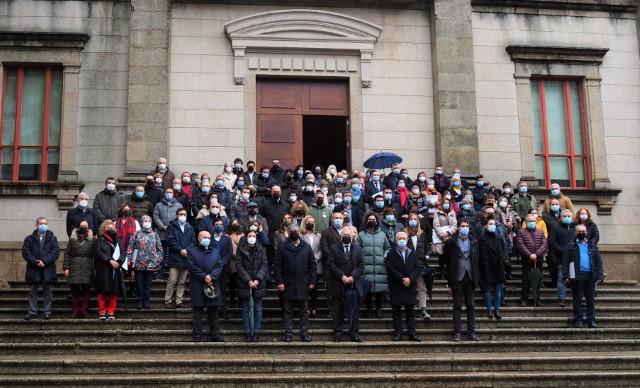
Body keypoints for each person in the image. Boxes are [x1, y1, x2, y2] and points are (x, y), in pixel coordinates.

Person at [275, 224, 317, 342]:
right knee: (287, 312)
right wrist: (280, 282)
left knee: (304, 312)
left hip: (303, 284)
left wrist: (312, 281)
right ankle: (288, 334)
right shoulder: (283, 247)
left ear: (299, 232)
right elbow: (277, 266)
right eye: (292, 231)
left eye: (296, 231)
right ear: (288, 232)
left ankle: (304, 334)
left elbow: (312, 265)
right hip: (287, 285)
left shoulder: (306, 247)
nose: (294, 232)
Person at [444, 219, 480, 342]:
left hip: (470, 276)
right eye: (463, 226)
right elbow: (447, 262)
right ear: (458, 228)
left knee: (471, 306)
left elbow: (477, 260)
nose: (465, 228)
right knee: (457, 306)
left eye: (467, 226)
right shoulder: (451, 242)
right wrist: (448, 281)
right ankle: (457, 332)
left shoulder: (474, 241)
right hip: (457, 277)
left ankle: (471, 332)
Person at [327, 228, 364, 342]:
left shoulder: (358, 249)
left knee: (354, 310)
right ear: (340, 236)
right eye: (344, 234)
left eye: (349, 235)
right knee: (337, 311)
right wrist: (342, 276)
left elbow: (361, 265)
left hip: (353, 284)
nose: (346, 236)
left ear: (353, 237)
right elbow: (331, 264)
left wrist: (352, 277)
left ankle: (354, 333)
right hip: (338, 283)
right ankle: (337, 333)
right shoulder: (333, 249)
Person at [563, 224, 604, 328]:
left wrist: (600, 275)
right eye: (579, 231)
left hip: (590, 276)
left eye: (583, 231)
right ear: (576, 233)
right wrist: (566, 275)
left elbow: (598, 261)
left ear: (587, 232)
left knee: (591, 300)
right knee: (577, 300)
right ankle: (578, 320)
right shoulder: (570, 245)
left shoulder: (592, 245)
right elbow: (565, 261)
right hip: (577, 276)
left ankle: (591, 320)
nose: (582, 233)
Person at [187, 231, 224, 342]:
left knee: (213, 310)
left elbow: (219, 265)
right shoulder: (192, 251)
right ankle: (197, 335)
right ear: (199, 238)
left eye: (209, 237)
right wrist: (204, 276)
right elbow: (191, 267)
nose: (207, 239)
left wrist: (211, 276)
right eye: (204, 237)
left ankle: (215, 335)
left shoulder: (216, 252)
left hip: (212, 284)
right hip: (197, 284)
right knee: (198, 310)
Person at [385, 231, 421, 342]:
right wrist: (402, 279)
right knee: (396, 312)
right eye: (399, 239)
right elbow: (390, 269)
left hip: (410, 287)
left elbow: (417, 268)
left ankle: (412, 334)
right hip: (396, 287)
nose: (402, 240)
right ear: (396, 241)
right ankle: (398, 333)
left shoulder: (412, 253)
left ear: (407, 240)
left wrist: (410, 279)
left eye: (404, 239)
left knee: (410, 312)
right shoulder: (391, 254)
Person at [22, 217, 60, 320]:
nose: (43, 225)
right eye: (41, 223)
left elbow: (55, 252)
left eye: (45, 223)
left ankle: (47, 311)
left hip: (48, 269)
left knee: (48, 292)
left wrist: (45, 261)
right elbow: (26, 252)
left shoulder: (53, 238)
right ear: (36, 225)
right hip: (33, 268)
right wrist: (36, 262)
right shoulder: (29, 238)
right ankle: (32, 311)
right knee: (32, 292)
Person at [235, 229, 268, 342]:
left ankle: (256, 331)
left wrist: (258, 279)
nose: (252, 237)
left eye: (253, 235)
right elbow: (239, 267)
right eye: (250, 235)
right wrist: (248, 280)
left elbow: (264, 265)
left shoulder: (261, 249)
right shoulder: (241, 250)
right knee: (245, 309)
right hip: (245, 283)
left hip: (259, 283)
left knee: (258, 309)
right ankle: (248, 332)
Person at [358, 213, 390, 319]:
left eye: (373, 219)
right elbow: (357, 249)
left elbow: (388, 247)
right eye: (370, 219)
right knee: (368, 289)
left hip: (380, 265)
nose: (372, 221)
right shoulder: (361, 234)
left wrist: (384, 256)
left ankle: (378, 309)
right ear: (366, 221)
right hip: (366, 265)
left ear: (377, 221)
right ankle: (368, 309)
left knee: (379, 290)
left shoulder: (382, 235)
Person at [63, 220, 95, 319]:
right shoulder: (72, 239)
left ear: (88, 227)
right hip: (74, 266)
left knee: (86, 290)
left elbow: (96, 254)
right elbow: (67, 254)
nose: (83, 227)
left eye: (85, 225)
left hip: (87, 266)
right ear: (78, 227)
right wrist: (66, 267)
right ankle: (75, 311)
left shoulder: (93, 239)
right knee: (74, 290)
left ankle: (84, 310)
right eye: (81, 225)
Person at [93, 220, 125, 320]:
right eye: (108, 228)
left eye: (112, 228)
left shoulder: (118, 240)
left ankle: (111, 311)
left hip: (115, 269)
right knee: (102, 291)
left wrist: (119, 262)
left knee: (113, 292)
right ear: (103, 229)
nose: (110, 229)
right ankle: (102, 311)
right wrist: (109, 260)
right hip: (103, 269)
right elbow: (98, 253)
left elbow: (123, 253)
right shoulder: (99, 240)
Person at [165, 208, 196, 309]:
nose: (183, 216)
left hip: (186, 258)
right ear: (176, 215)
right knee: (172, 280)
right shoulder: (172, 226)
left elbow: (193, 241)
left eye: (184, 214)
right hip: (175, 257)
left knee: (182, 282)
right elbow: (170, 240)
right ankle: (168, 300)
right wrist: (180, 250)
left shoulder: (190, 228)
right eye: (181, 214)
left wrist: (186, 250)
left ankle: (179, 300)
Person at [516, 214, 548, 307]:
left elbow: (544, 245)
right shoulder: (521, 232)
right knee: (525, 280)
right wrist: (529, 255)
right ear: (525, 222)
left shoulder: (541, 232)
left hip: (538, 260)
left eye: (533, 221)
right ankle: (524, 299)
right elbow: (520, 245)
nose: (531, 223)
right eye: (529, 221)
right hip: (527, 260)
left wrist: (536, 254)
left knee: (538, 280)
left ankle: (537, 298)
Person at [478, 218, 507, 320]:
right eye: (490, 224)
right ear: (486, 225)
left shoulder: (499, 238)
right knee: (488, 289)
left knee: (498, 289)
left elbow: (503, 251)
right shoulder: (481, 239)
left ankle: (497, 309)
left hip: (498, 266)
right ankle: (489, 309)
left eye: (494, 224)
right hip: (487, 267)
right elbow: (479, 254)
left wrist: (503, 261)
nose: (492, 226)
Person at [404, 213, 432, 319]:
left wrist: (427, 256)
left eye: (415, 219)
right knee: (410, 286)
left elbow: (426, 246)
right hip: (408, 265)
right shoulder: (404, 234)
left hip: (420, 264)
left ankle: (423, 308)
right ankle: (409, 306)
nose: (413, 221)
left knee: (421, 287)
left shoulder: (422, 233)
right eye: (411, 219)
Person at [153, 187, 183, 279]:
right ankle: (160, 273)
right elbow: (155, 217)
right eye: (167, 192)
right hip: (162, 233)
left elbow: (181, 217)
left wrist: (172, 227)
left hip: (174, 233)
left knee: (173, 254)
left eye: (171, 192)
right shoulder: (158, 205)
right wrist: (162, 226)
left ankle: (172, 274)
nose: (169, 193)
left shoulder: (179, 205)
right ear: (164, 193)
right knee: (161, 254)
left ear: (173, 194)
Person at [549, 209, 576, 307]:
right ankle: (561, 299)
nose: (567, 218)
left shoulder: (575, 227)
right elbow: (552, 241)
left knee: (574, 278)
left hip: (574, 258)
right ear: (561, 217)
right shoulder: (556, 227)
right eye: (565, 216)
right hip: (561, 257)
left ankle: (576, 298)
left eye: (569, 216)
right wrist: (560, 250)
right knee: (561, 278)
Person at [301, 215, 322, 318]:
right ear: (305, 223)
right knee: (306, 288)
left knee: (314, 288)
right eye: (308, 222)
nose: (310, 223)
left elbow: (321, 249)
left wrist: (314, 258)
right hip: (304, 265)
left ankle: (314, 308)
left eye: (312, 222)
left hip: (316, 265)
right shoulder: (301, 235)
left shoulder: (318, 235)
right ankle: (307, 308)